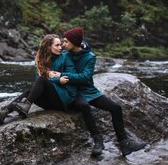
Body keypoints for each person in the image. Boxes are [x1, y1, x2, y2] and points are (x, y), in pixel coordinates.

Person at [58, 27, 146, 156]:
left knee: (116, 108)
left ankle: (124, 144)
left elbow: (85, 77)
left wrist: (65, 76)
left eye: (66, 41)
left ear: (74, 42)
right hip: (73, 91)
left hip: (89, 91)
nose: (63, 44)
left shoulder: (89, 56)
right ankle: (98, 141)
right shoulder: (65, 55)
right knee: (85, 107)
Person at [0, 34, 78, 125]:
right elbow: (37, 81)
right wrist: (50, 76)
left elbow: (71, 76)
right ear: (48, 47)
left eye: (60, 45)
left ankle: (26, 106)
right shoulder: (41, 60)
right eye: (57, 45)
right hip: (51, 101)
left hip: (64, 99)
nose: (60, 47)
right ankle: (4, 112)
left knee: (41, 81)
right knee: (29, 92)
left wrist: (55, 78)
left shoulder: (66, 57)